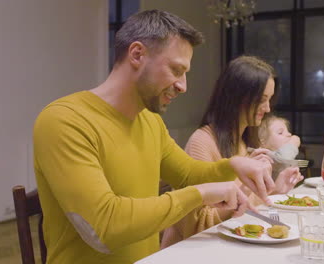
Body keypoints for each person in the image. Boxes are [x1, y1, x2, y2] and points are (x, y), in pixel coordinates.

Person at [33, 11, 275, 264]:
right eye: (176, 70)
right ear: (137, 54)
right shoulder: (65, 120)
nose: (183, 86)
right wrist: (200, 194)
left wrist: (233, 165)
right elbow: (105, 227)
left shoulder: (150, 121)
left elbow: (188, 173)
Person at [161, 56, 303, 248]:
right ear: (237, 98)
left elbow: (248, 210)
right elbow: (194, 226)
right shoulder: (202, 142)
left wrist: (276, 190)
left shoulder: (245, 143)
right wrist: (242, 191)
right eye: (262, 100)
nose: (268, 108)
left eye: (269, 100)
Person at [257, 114, 301, 180]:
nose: (289, 134)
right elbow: (283, 160)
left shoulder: (282, 153)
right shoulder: (264, 156)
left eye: (288, 131)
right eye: (280, 133)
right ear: (263, 142)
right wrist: (292, 144)